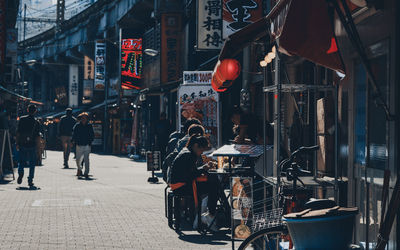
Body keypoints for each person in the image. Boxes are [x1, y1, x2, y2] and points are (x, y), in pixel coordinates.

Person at [169, 135, 219, 231]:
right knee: (214, 186)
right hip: (182, 186)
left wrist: (203, 169)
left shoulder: (186, 152)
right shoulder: (188, 155)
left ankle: (209, 214)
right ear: (195, 146)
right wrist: (204, 168)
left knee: (213, 184)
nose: (201, 153)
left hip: (180, 184)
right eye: (201, 150)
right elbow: (190, 175)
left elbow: (190, 173)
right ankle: (211, 214)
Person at [16, 104, 41, 189]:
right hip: (32, 144)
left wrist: (17, 143)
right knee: (32, 163)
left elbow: (18, 133)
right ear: (35, 111)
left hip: (22, 143)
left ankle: (20, 172)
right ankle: (30, 180)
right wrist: (38, 148)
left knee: (21, 161)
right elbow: (38, 137)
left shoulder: (22, 119)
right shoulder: (36, 122)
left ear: (27, 110)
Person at [72, 113, 94, 178]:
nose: (83, 119)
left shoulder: (89, 126)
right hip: (79, 144)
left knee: (86, 159)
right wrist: (73, 141)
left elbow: (92, 134)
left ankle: (86, 172)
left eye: (85, 118)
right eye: (82, 118)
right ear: (80, 118)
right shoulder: (77, 126)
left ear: (87, 119)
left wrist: (90, 142)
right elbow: (74, 134)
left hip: (87, 144)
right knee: (78, 160)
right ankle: (80, 169)